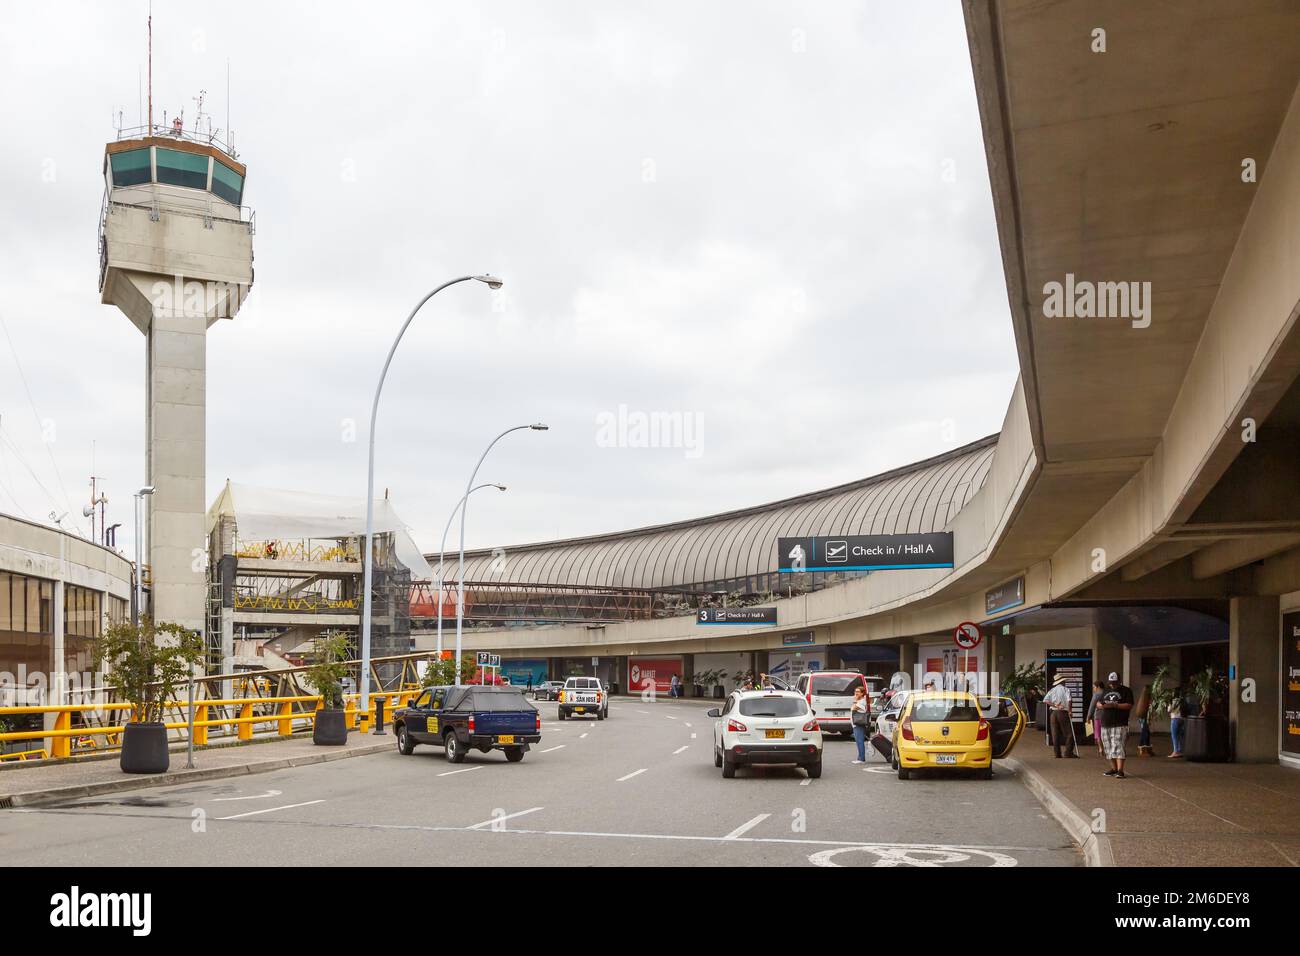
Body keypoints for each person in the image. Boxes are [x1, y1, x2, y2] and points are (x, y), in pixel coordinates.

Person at [1097, 671, 1134, 778]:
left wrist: (1114, 705)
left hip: (1119, 723)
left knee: (1118, 746)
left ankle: (1120, 770)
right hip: (1105, 722)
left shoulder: (1126, 691)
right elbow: (1099, 703)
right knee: (1108, 747)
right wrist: (1101, 705)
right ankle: (1113, 768)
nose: (1112, 684)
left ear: (1119, 681)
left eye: (1115, 682)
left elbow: (1129, 705)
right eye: (1111, 682)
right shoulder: (1106, 691)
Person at [1044, 674, 1077, 758]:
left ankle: (1057, 754)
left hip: (1053, 714)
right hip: (1062, 712)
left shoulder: (1052, 690)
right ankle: (1068, 752)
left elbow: (1045, 700)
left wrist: (1055, 705)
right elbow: (1069, 700)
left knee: (1055, 734)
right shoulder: (1066, 689)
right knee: (1069, 733)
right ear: (1062, 681)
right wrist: (1070, 711)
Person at [849, 685, 870, 764]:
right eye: (855, 692)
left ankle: (861, 759)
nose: (856, 693)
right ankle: (859, 758)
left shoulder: (862, 701)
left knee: (860, 741)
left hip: (859, 724)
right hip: (856, 724)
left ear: (862, 693)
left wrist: (855, 700)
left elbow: (853, 708)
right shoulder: (859, 701)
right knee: (858, 741)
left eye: (858, 692)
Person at [1084, 680, 1106, 755]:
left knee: (1098, 733)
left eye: (1094, 687)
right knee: (1106, 733)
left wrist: (1088, 717)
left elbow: (1092, 706)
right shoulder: (1107, 693)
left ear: (1098, 687)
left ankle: (1100, 749)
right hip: (1107, 716)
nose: (1093, 689)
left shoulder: (1096, 694)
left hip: (1098, 716)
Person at [1135, 683, 1153, 756]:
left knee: (1145, 731)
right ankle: (1144, 747)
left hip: (1142, 716)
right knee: (1145, 732)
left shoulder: (1143, 697)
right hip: (1144, 716)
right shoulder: (1147, 698)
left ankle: (1143, 747)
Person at [1168, 688, 1185, 758]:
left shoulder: (1173, 701)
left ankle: (1175, 751)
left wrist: (1168, 704)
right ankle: (1180, 750)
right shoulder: (1182, 701)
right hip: (1181, 718)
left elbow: (1169, 710)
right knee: (1180, 735)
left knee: (1174, 735)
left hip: (1175, 718)